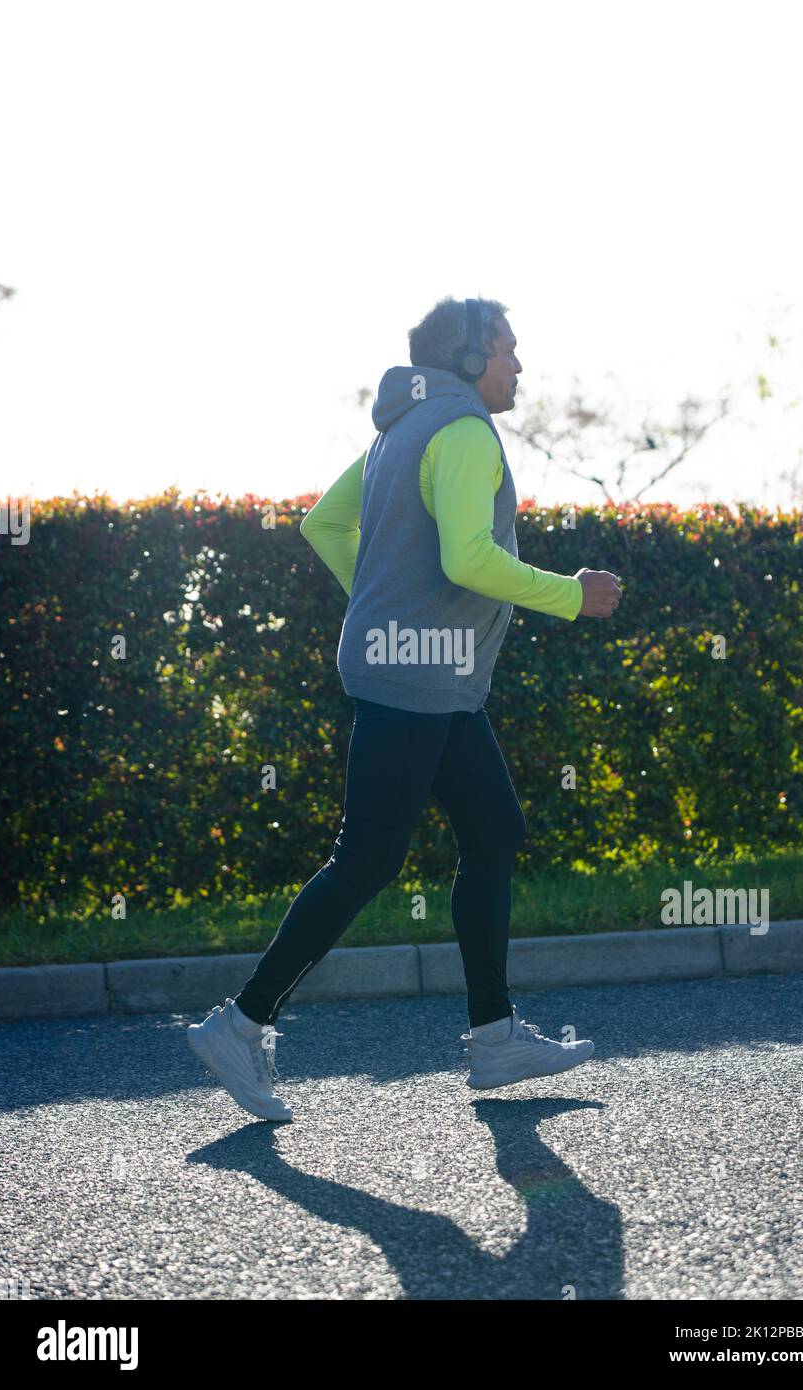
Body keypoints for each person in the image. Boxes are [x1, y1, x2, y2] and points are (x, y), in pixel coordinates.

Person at [187, 295, 622, 1121]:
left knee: (493, 832)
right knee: (368, 860)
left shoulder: (395, 433)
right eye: (507, 350)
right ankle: (238, 1025)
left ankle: (494, 1038)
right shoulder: (459, 432)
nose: (518, 365)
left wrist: (385, 610)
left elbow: (325, 524)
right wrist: (568, 594)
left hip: (434, 676)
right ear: (467, 359)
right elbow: (467, 558)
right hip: (417, 679)